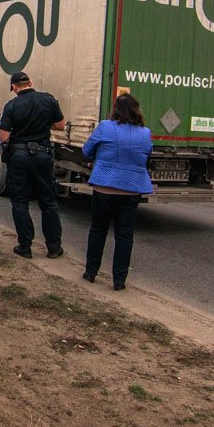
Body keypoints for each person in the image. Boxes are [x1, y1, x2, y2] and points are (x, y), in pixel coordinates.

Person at [81, 93, 153, 291]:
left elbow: (86, 151)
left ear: (115, 110)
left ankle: (91, 272)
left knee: (98, 230)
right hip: (131, 189)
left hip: (104, 185)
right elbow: (146, 155)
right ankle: (119, 280)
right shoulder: (145, 133)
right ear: (137, 110)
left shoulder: (105, 126)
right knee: (125, 235)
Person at [0, 71, 66, 259]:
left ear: (14, 87)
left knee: (20, 202)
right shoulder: (48, 100)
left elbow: (3, 136)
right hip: (43, 155)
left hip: (19, 156)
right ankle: (53, 247)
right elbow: (61, 126)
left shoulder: (11, 105)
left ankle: (25, 246)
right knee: (48, 202)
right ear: (31, 83)